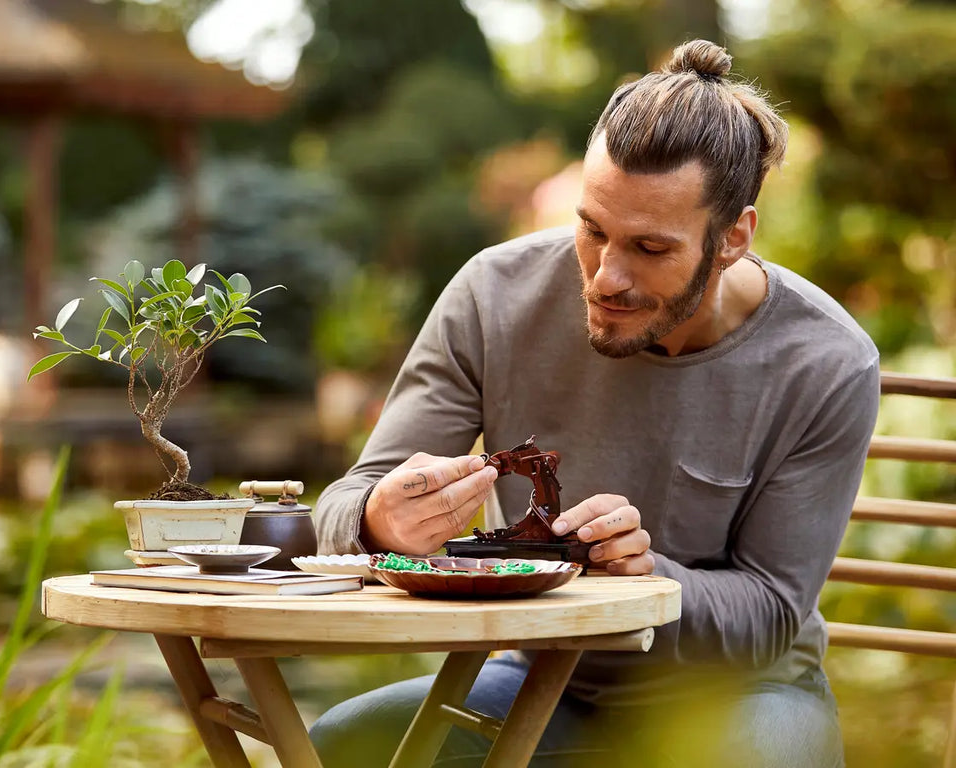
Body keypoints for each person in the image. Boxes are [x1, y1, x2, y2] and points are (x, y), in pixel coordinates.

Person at [310, 39, 878, 767]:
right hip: (541, 679)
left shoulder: (825, 361)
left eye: (649, 247)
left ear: (733, 236)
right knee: (344, 743)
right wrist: (376, 518)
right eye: (592, 229)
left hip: (742, 697)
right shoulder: (494, 295)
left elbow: (768, 615)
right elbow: (341, 509)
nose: (606, 277)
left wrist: (649, 578)